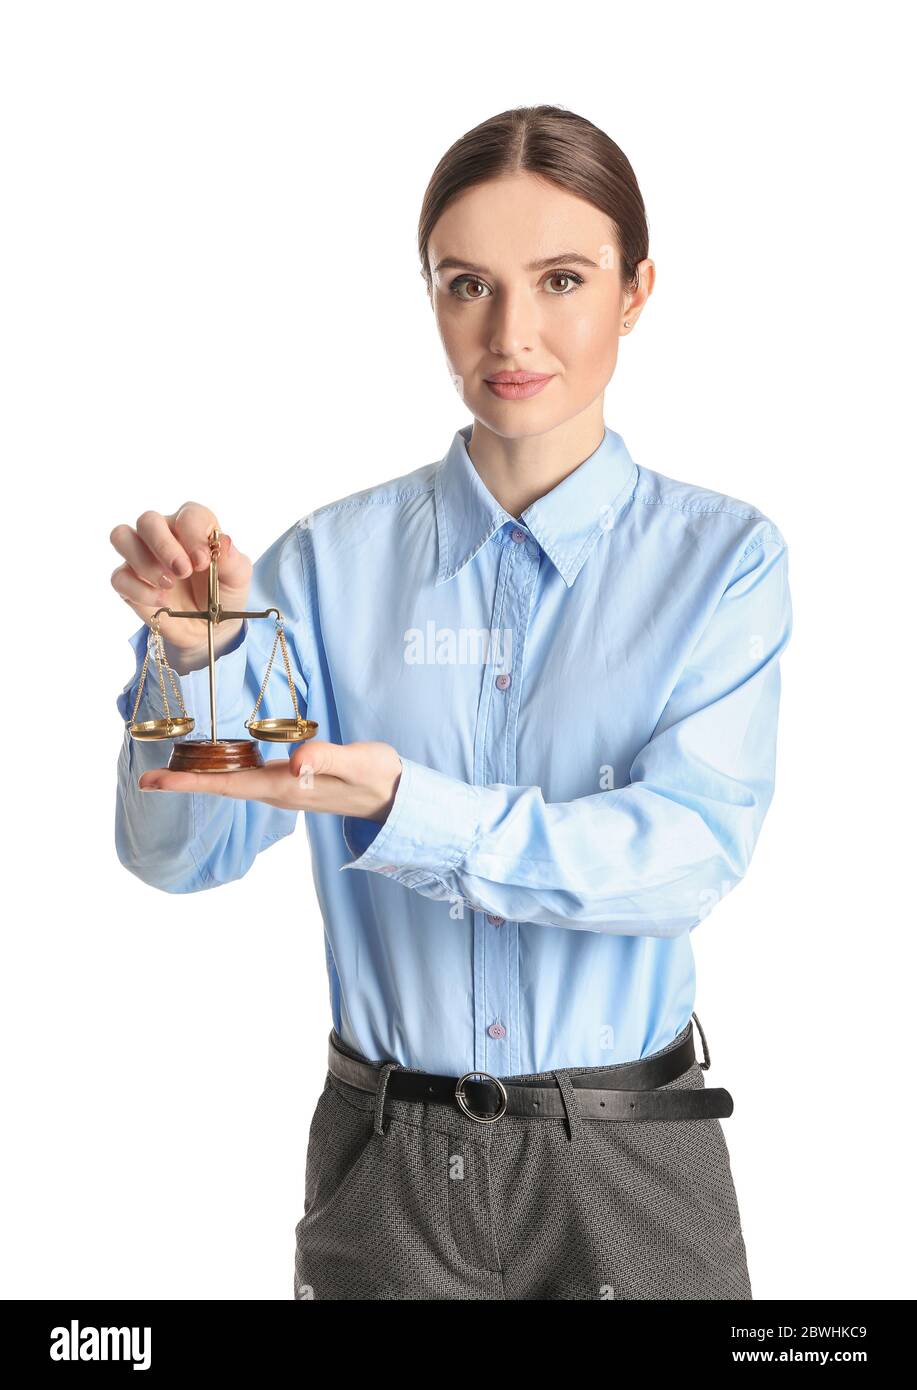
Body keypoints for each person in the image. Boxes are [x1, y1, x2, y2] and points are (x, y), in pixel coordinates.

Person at [110, 105, 792, 1301]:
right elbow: (182, 852)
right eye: (466, 284)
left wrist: (402, 801)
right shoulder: (322, 566)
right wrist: (200, 663)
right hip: (383, 1165)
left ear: (635, 291)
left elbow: (682, 856)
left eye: (561, 279)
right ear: (428, 294)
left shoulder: (720, 559)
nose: (511, 333)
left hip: (627, 1162)